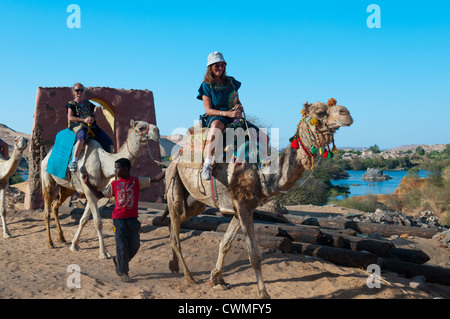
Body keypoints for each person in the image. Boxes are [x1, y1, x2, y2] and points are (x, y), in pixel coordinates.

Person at [82, 158, 165, 283]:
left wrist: (169, 169)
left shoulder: (136, 182)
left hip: (133, 220)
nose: (115, 170)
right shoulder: (114, 185)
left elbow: (155, 179)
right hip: (118, 220)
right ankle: (124, 272)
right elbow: (99, 195)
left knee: (135, 246)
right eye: (115, 168)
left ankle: (118, 261)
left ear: (125, 169)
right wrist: (87, 183)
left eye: (117, 168)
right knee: (121, 247)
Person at [197, 51, 261, 180]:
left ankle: (256, 164)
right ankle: (207, 164)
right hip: (217, 116)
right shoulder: (206, 86)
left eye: (222, 65)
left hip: (234, 116)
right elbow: (208, 110)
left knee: (262, 136)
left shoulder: (231, 82)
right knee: (216, 126)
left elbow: (237, 101)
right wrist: (227, 113)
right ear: (210, 67)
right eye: (217, 65)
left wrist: (239, 107)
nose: (220, 68)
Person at [66, 83, 115, 172]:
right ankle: (74, 161)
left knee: (109, 141)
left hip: (91, 126)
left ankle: (111, 162)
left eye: (81, 90)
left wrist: (93, 118)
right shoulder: (71, 104)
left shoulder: (88, 104)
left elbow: (95, 115)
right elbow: (70, 118)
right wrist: (84, 120)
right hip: (78, 125)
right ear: (74, 92)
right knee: (82, 136)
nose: (79, 92)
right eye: (77, 90)